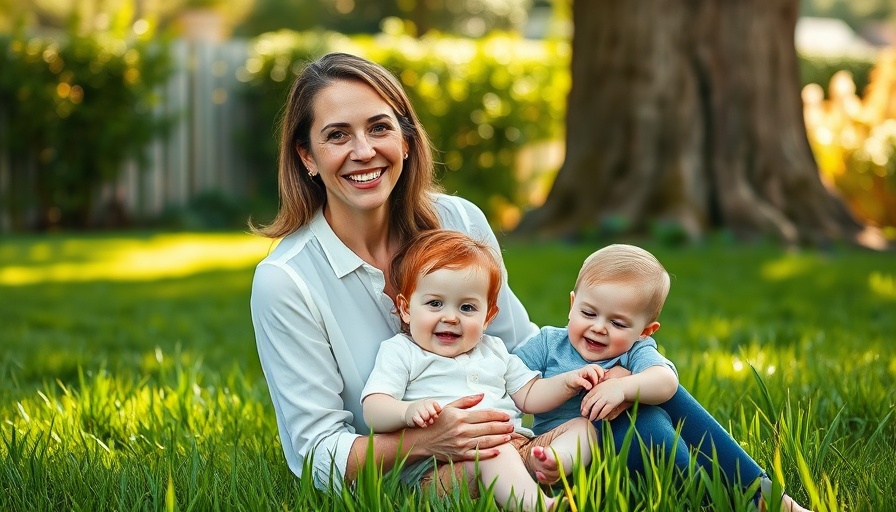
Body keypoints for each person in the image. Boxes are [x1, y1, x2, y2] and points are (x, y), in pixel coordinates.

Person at [248, 51, 808, 509]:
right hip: (413, 477)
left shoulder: (459, 220)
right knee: (625, 420)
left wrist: (614, 365)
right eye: (337, 136)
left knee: (636, 390)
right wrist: (427, 438)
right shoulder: (287, 281)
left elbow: (518, 347)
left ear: (407, 138)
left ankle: (764, 501)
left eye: (379, 128)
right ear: (307, 156)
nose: (364, 151)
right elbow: (315, 454)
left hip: (511, 441)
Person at [512, 244, 811, 512]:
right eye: (588, 313)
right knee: (650, 416)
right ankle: (739, 497)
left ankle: (758, 495)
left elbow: (666, 382)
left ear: (645, 331)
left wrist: (623, 387)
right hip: (567, 466)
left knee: (652, 413)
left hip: (627, 459)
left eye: (617, 322)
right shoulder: (548, 343)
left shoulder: (635, 351)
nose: (599, 328)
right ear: (572, 305)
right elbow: (509, 382)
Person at [361, 229, 599, 510]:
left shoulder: (493, 350)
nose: (450, 317)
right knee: (490, 452)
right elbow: (373, 408)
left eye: (467, 307)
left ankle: (548, 463)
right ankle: (538, 505)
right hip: (443, 469)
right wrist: (406, 411)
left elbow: (530, 395)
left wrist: (567, 383)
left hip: (515, 447)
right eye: (435, 303)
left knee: (584, 428)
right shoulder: (402, 351)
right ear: (406, 308)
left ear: (488, 316)